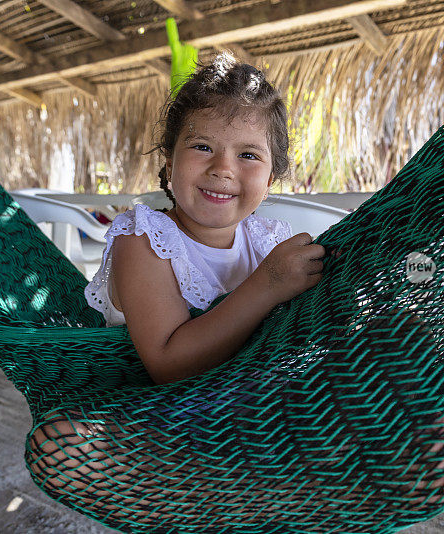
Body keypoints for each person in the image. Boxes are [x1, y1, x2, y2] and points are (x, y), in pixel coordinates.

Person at [84, 54, 325, 384]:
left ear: (269, 181)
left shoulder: (267, 242)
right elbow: (169, 365)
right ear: (170, 165)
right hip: (153, 409)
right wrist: (269, 284)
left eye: (248, 155)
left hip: (248, 400)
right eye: (202, 147)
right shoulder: (144, 240)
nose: (223, 169)